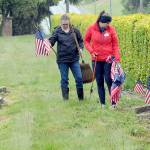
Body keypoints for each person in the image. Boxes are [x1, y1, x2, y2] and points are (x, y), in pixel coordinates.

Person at [84, 11, 120, 108]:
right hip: (96, 59)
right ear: (101, 21)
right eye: (106, 23)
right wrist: (91, 51)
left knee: (109, 80)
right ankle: (103, 104)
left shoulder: (111, 30)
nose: (108, 25)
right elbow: (86, 41)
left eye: (109, 23)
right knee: (99, 81)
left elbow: (116, 45)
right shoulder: (91, 28)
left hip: (108, 59)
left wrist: (117, 58)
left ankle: (113, 103)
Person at [49, 14, 84, 101]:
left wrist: (80, 48)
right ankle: (65, 99)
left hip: (74, 59)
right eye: (63, 24)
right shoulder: (57, 31)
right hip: (62, 60)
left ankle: (81, 99)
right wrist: (48, 44)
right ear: (60, 23)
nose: (65, 26)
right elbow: (52, 41)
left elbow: (80, 41)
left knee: (79, 78)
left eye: (66, 24)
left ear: (69, 23)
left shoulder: (75, 31)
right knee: (64, 79)